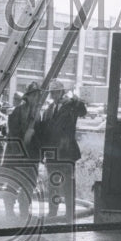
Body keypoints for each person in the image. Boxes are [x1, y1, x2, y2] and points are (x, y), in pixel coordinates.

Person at [38, 80, 86, 218]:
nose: (53, 95)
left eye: (56, 92)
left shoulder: (70, 105)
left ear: (62, 92)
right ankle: (52, 212)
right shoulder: (48, 110)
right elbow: (44, 132)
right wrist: (42, 152)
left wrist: (77, 100)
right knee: (53, 185)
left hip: (66, 152)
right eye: (52, 93)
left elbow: (82, 111)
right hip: (52, 153)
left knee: (68, 184)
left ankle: (69, 213)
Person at [2, 82, 43, 218]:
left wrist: (34, 135)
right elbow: (12, 132)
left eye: (38, 95)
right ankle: (9, 210)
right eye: (34, 95)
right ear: (28, 97)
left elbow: (43, 133)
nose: (36, 98)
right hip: (16, 153)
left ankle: (24, 209)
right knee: (13, 181)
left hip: (31, 155)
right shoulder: (18, 111)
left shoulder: (38, 113)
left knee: (29, 183)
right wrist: (24, 136)